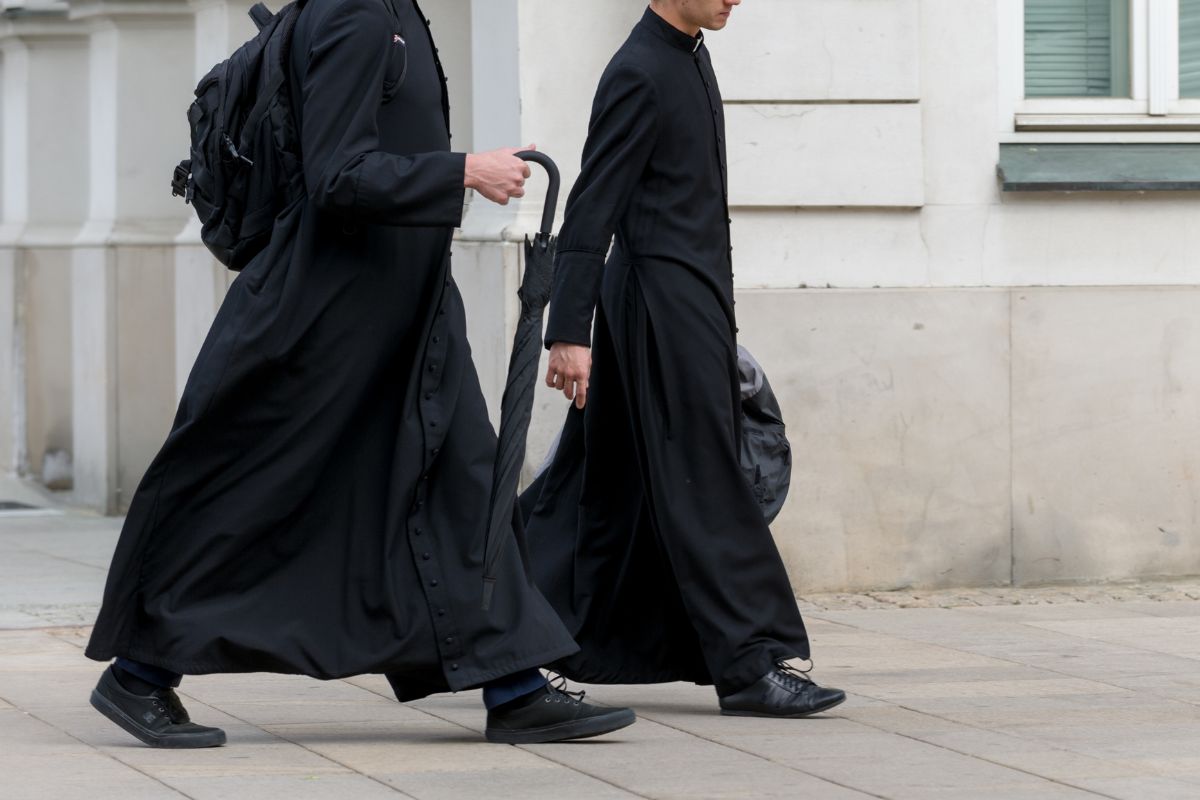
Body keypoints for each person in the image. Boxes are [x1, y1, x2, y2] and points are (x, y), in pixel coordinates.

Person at [84, 0, 635, 748]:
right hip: (329, 314)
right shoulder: (357, 15)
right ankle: (139, 673)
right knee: (253, 489)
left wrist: (453, 174)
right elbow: (337, 174)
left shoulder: (389, 11)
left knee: (467, 477)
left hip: (404, 306)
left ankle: (514, 684)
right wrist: (463, 170)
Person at [523, 0, 846, 717]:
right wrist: (568, 330)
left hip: (688, 306)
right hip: (659, 315)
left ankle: (490, 618)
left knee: (600, 489)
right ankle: (750, 664)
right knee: (707, 480)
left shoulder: (688, 57)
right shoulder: (639, 70)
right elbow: (592, 205)